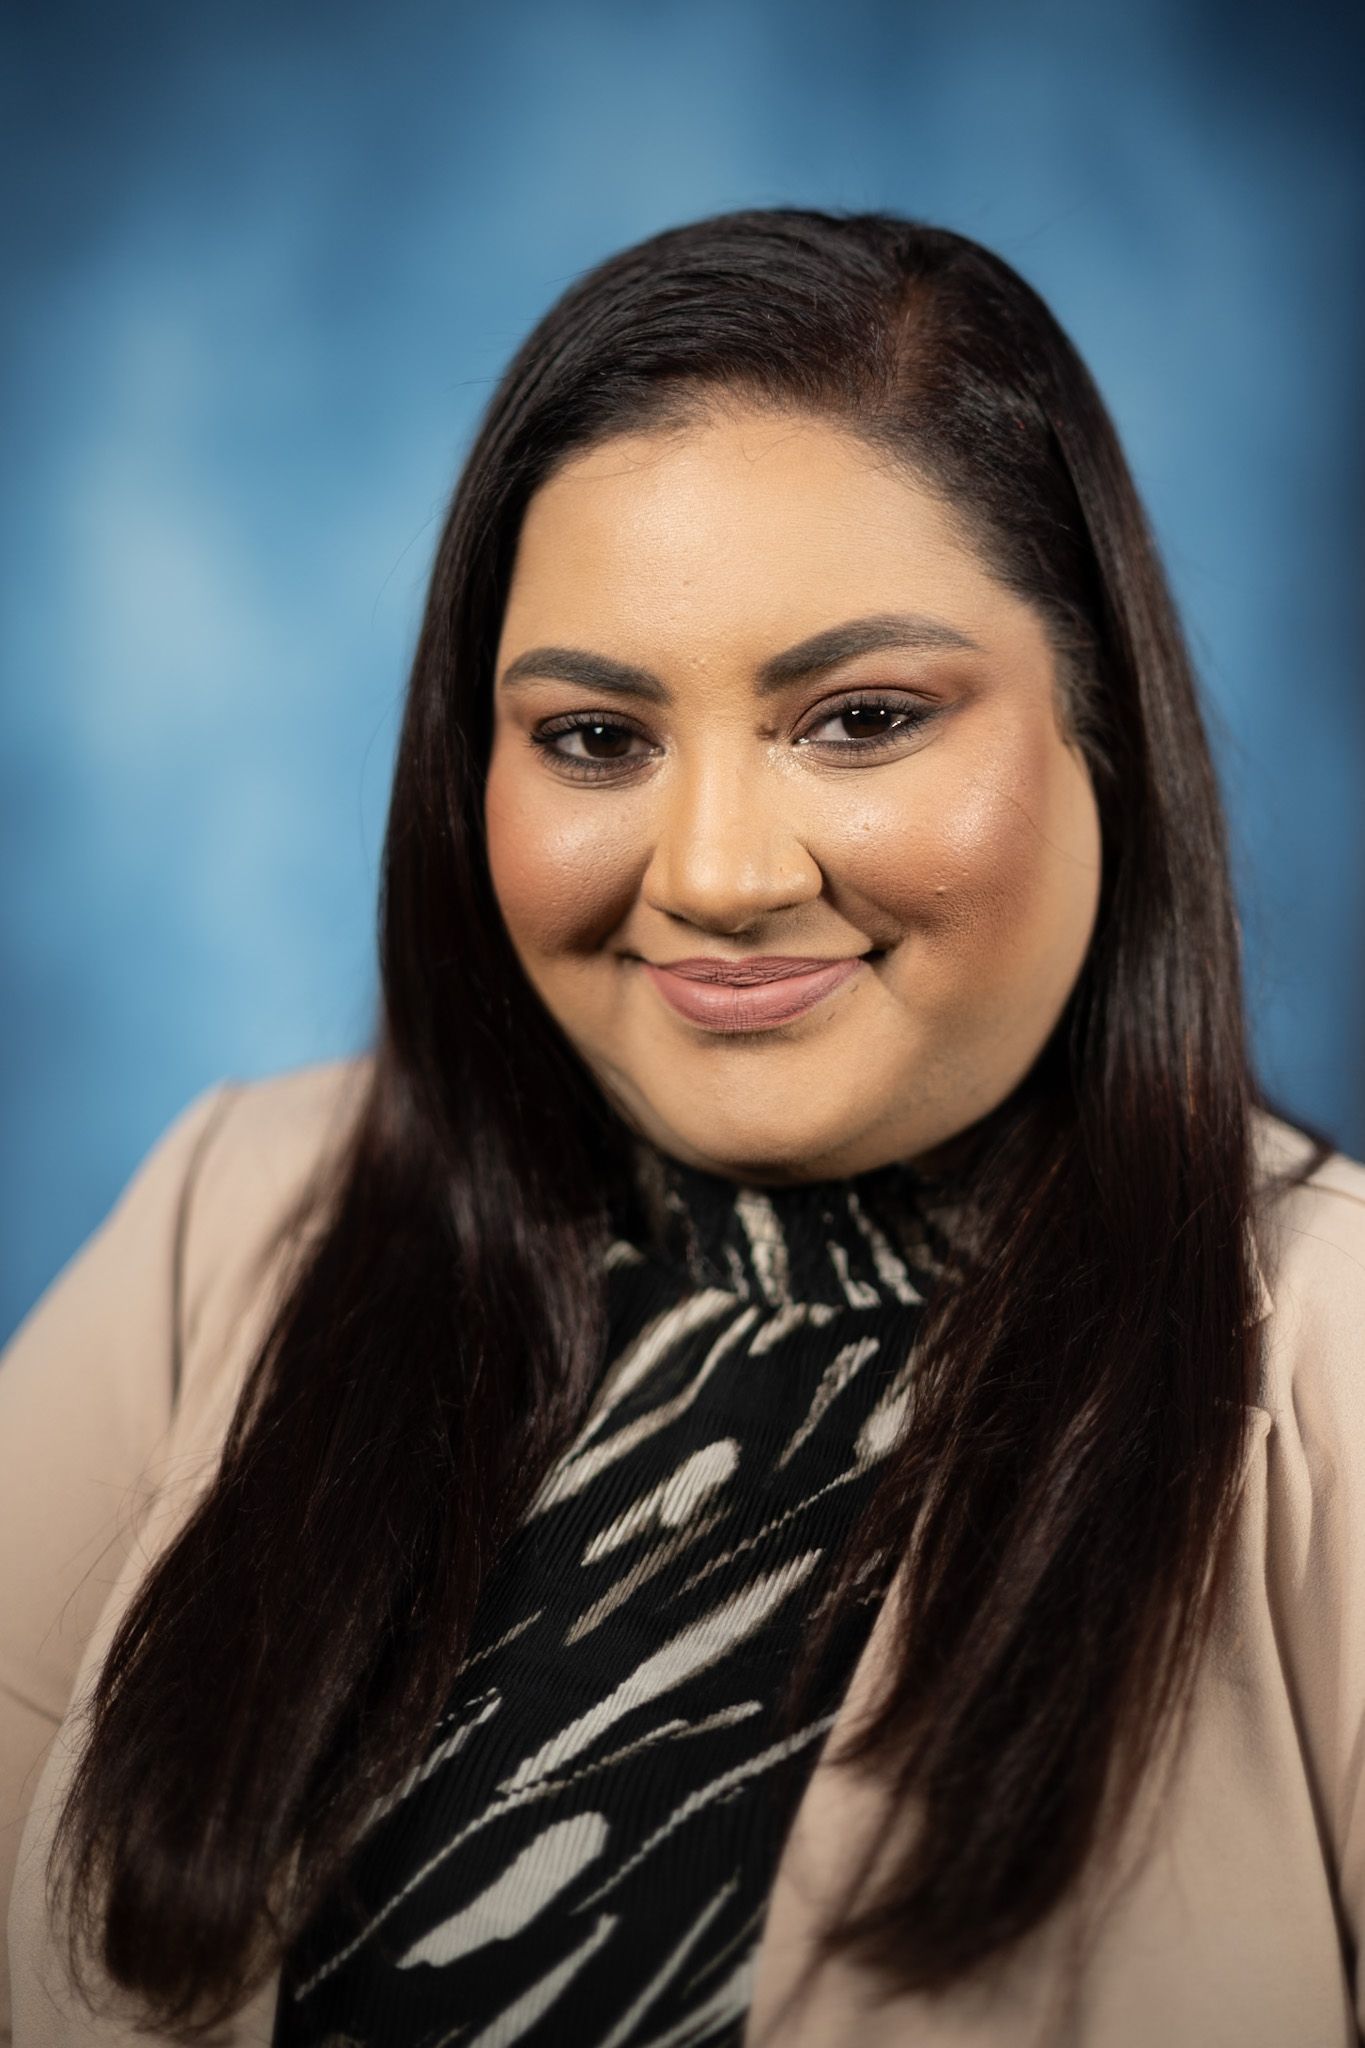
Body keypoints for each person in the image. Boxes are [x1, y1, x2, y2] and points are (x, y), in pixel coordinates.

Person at [2, 207, 1363, 2048]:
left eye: (860, 718)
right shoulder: (231, 1218)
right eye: (592, 740)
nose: (716, 876)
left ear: (1095, 726)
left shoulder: (1332, 1366)